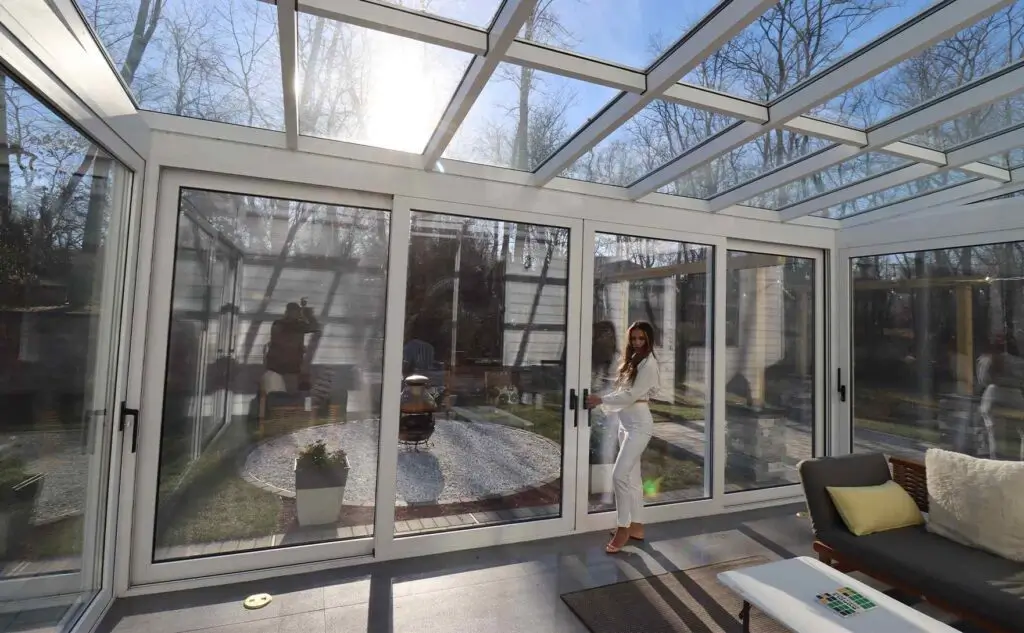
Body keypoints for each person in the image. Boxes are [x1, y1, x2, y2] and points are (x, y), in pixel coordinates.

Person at [586, 321, 660, 554]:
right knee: (633, 479)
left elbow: (632, 395)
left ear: (648, 340)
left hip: (640, 426)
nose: (637, 342)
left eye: (641, 338)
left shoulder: (649, 364)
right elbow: (621, 391)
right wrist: (604, 401)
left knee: (619, 475)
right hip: (625, 425)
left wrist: (601, 400)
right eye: (634, 338)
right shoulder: (632, 361)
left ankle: (623, 527)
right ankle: (637, 525)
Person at [264, 299, 319, 393]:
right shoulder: (284, 324)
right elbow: (312, 327)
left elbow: (314, 327)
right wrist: (308, 315)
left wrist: (307, 315)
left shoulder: (284, 324)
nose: (296, 315)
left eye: (296, 312)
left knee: (285, 390)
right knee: (279, 390)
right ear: (288, 312)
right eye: (294, 312)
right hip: (283, 364)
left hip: (285, 364)